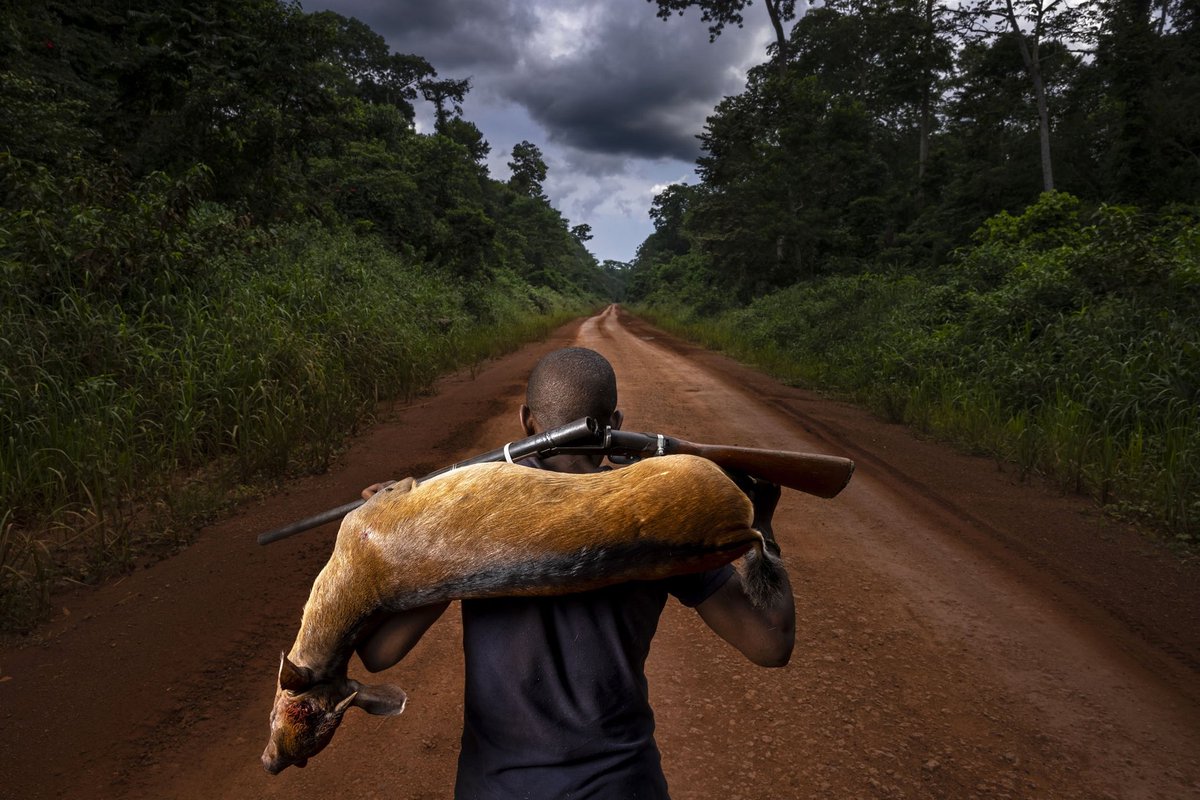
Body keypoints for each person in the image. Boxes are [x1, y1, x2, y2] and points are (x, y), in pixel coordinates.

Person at [356, 347, 795, 799]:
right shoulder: (656, 513)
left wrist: (390, 532)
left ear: (527, 421)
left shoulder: (472, 517)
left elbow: (379, 651)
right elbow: (770, 643)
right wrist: (760, 523)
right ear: (617, 422)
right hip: (622, 786)